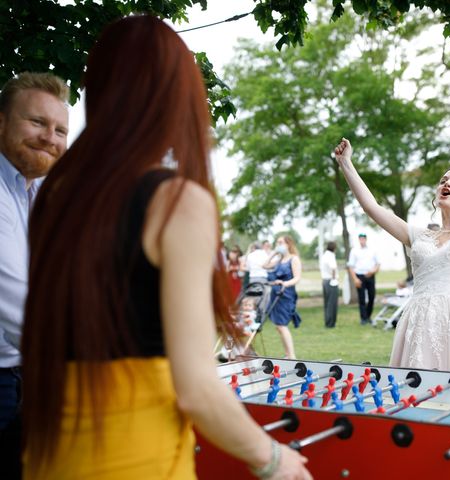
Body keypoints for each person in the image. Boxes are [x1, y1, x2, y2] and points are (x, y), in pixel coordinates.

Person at [20, 16, 310, 480]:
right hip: (136, 458)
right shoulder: (177, 201)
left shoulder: (56, 195)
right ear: (177, 96)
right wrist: (276, 460)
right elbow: (195, 387)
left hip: (51, 455)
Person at [334, 96, 450, 372]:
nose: (447, 183)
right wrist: (346, 164)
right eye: (444, 180)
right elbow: (372, 207)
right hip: (417, 322)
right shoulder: (418, 235)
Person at [0, 71, 69, 479]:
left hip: (24, 373)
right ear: (2, 122)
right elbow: (18, 307)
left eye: (60, 129)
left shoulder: (36, 192)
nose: (50, 138)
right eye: (37, 122)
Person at [265, 236, 302, 359]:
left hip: (286, 294)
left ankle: (292, 356)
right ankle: (287, 354)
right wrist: (273, 253)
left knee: (282, 325)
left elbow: (297, 277)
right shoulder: (279, 259)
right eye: (277, 242)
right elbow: (265, 265)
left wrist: (284, 283)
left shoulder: (294, 259)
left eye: (281, 242)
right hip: (275, 294)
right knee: (278, 326)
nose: (278, 244)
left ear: (288, 244)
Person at [347, 233, 380, 325]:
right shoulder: (354, 251)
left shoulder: (372, 250)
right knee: (361, 298)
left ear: (366, 239)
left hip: (370, 275)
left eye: (363, 239)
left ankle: (368, 316)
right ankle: (363, 318)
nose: (362, 240)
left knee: (371, 296)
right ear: (359, 240)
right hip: (359, 276)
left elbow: (378, 264)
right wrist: (355, 279)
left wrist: (373, 271)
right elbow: (350, 266)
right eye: (360, 239)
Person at [320, 241, 339, 328]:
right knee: (332, 303)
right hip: (331, 281)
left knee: (327, 303)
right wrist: (334, 278)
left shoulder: (324, 255)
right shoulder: (331, 256)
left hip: (324, 280)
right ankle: (331, 323)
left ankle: (327, 322)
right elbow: (333, 268)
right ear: (334, 248)